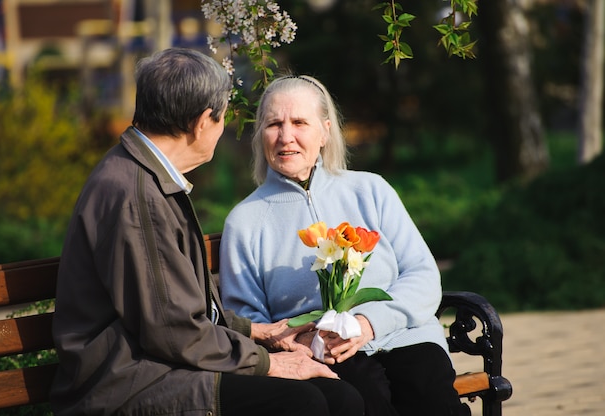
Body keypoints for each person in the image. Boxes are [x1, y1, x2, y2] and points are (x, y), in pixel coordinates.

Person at [50, 49, 365, 416]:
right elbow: (173, 332)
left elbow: (172, 310)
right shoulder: (137, 197)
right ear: (202, 122)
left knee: (337, 397)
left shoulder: (142, 174)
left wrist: (256, 332)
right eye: (222, 118)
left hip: (153, 364)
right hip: (126, 385)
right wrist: (270, 364)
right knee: (305, 402)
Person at [219, 74, 471, 416]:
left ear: (324, 131)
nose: (286, 136)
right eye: (274, 124)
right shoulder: (245, 220)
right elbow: (247, 317)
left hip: (404, 335)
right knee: (366, 401)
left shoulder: (370, 190)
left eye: (299, 123)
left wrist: (368, 323)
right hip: (324, 355)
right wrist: (301, 341)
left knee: (430, 396)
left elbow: (423, 276)